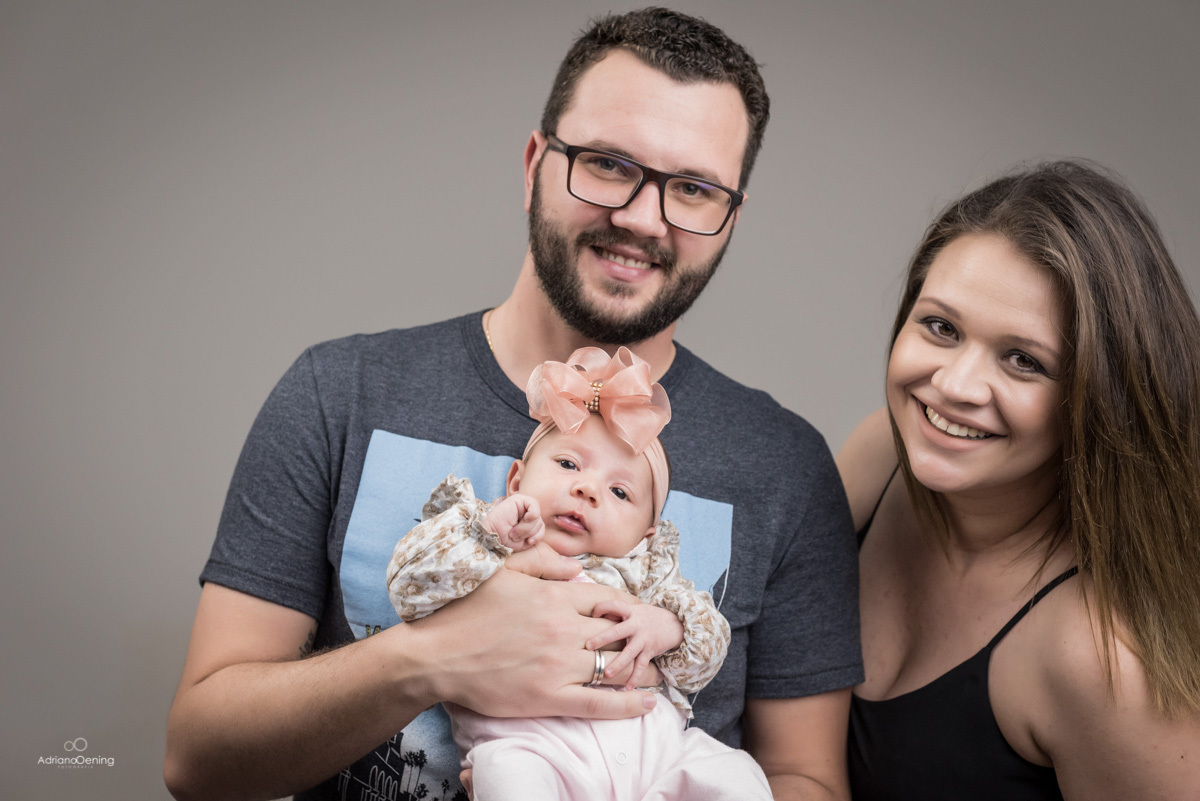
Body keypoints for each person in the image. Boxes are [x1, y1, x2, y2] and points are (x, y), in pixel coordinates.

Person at [164, 8, 861, 801]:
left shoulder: (786, 464)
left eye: (694, 188)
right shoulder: (339, 391)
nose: (640, 217)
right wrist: (433, 656)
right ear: (536, 163)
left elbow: (804, 778)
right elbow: (200, 759)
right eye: (607, 163)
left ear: (729, 217)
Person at [838, 160, 1200, 800]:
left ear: (1102, 400)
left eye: (1023, 360)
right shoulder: (879, 458)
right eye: (941, 327)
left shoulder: (1100, 658)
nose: (952, 387)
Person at [387, 346, 772, 800]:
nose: (587, 489)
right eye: (568, 464)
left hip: (655, 753)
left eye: (620, 492)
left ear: (646, 535)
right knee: (508, 774)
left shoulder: (650, 576)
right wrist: (487, 532)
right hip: (531, 745)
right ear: (516, 481)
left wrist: (668, 627)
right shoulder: (478, 538)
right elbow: (408, 585)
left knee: (736, 776)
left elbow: (704, 658)